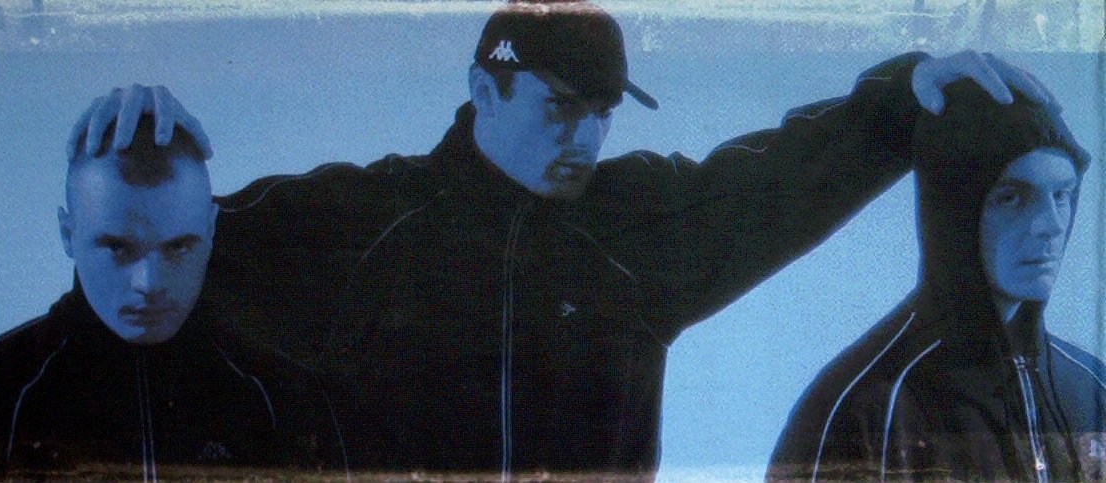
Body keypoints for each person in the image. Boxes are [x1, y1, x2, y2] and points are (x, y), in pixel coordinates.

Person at [73, 2, 1059, 478]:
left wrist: (897, 102)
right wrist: (147, 140)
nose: (585, 137)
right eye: (559, 107)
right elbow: (163, 247)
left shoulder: (637, 227)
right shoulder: (364, 222)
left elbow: (775, 182)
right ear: (484, 87)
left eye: (602, 111)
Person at [0, 110, 347, 481]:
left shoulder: (285, 398)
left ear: (211, 229)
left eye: (179, 247)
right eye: (118, 247)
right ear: (68, 234)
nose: (149, 283)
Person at [766, 82, 1101, 482]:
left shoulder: (1090, 386)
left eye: (1062, 196)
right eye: (1011, 197)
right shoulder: (869, 404)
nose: (1050, 225)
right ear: (955, 212)